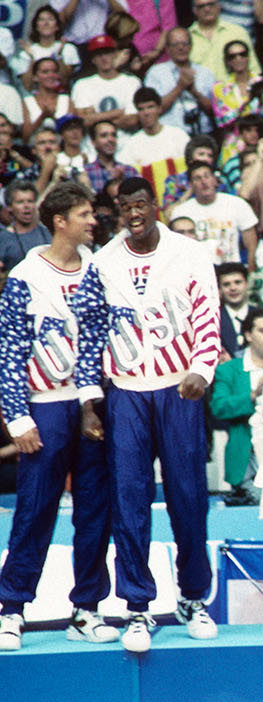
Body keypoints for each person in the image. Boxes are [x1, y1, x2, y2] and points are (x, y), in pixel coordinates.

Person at [72, 176, 221, 654]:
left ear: (156, 206)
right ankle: (138, 607)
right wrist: (89, 401)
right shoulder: (104, 261)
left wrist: (202, 367)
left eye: (140, 205)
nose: (133, 214)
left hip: (178, 387)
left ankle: (194, 598)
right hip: (128, 391)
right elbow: (90, 331)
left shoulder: (189, 252)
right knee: (130, 501)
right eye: (124, 208)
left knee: (188, 497)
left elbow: (208, 312)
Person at [0, 182, 117, 651]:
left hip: (93, 403)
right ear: (61, 221)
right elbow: (9, 350)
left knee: (94, 508)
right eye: (86, 214)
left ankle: (85, 609)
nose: (94, 221)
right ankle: (11, 608)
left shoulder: (102, 269)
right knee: (35, 508)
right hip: (45, 403)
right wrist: (17, 417)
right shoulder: (26, 275)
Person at [209, 306, 263, 507]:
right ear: (248, 334)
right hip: (248, 456)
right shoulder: (229, 369)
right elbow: (219, 407)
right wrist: (254, 395)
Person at [171, 162, 260, 265]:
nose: (204, 181)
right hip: (197, 269)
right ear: (191, 185)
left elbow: (252, 246)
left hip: (231, 270)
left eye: (207, 176)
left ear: (215, 180)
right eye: (197, 178)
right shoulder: (181, 211)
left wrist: (251, 271)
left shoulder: (237, 204)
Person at [144, 27, 216, 136]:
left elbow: (215, 111)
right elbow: (151, 110)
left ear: (191, 46)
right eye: (175, 44)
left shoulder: (205, 73)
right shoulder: (156, 73)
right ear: (167, 48)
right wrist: (179, 87)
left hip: (202, 134)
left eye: (185, 43)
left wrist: (194, 91)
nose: (181, 48)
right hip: (169, 136)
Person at [118, 88, 192, 170]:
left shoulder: (178, 135)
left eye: (150, 107)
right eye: (141, 109)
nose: (146, 113)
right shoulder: (131, 144)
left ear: (159, 109)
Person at [0, 181, 52, 270]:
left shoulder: (49, 233)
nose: (26, 205)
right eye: (20, 202)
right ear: (9, 207)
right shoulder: (3, 238)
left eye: (30, 201)